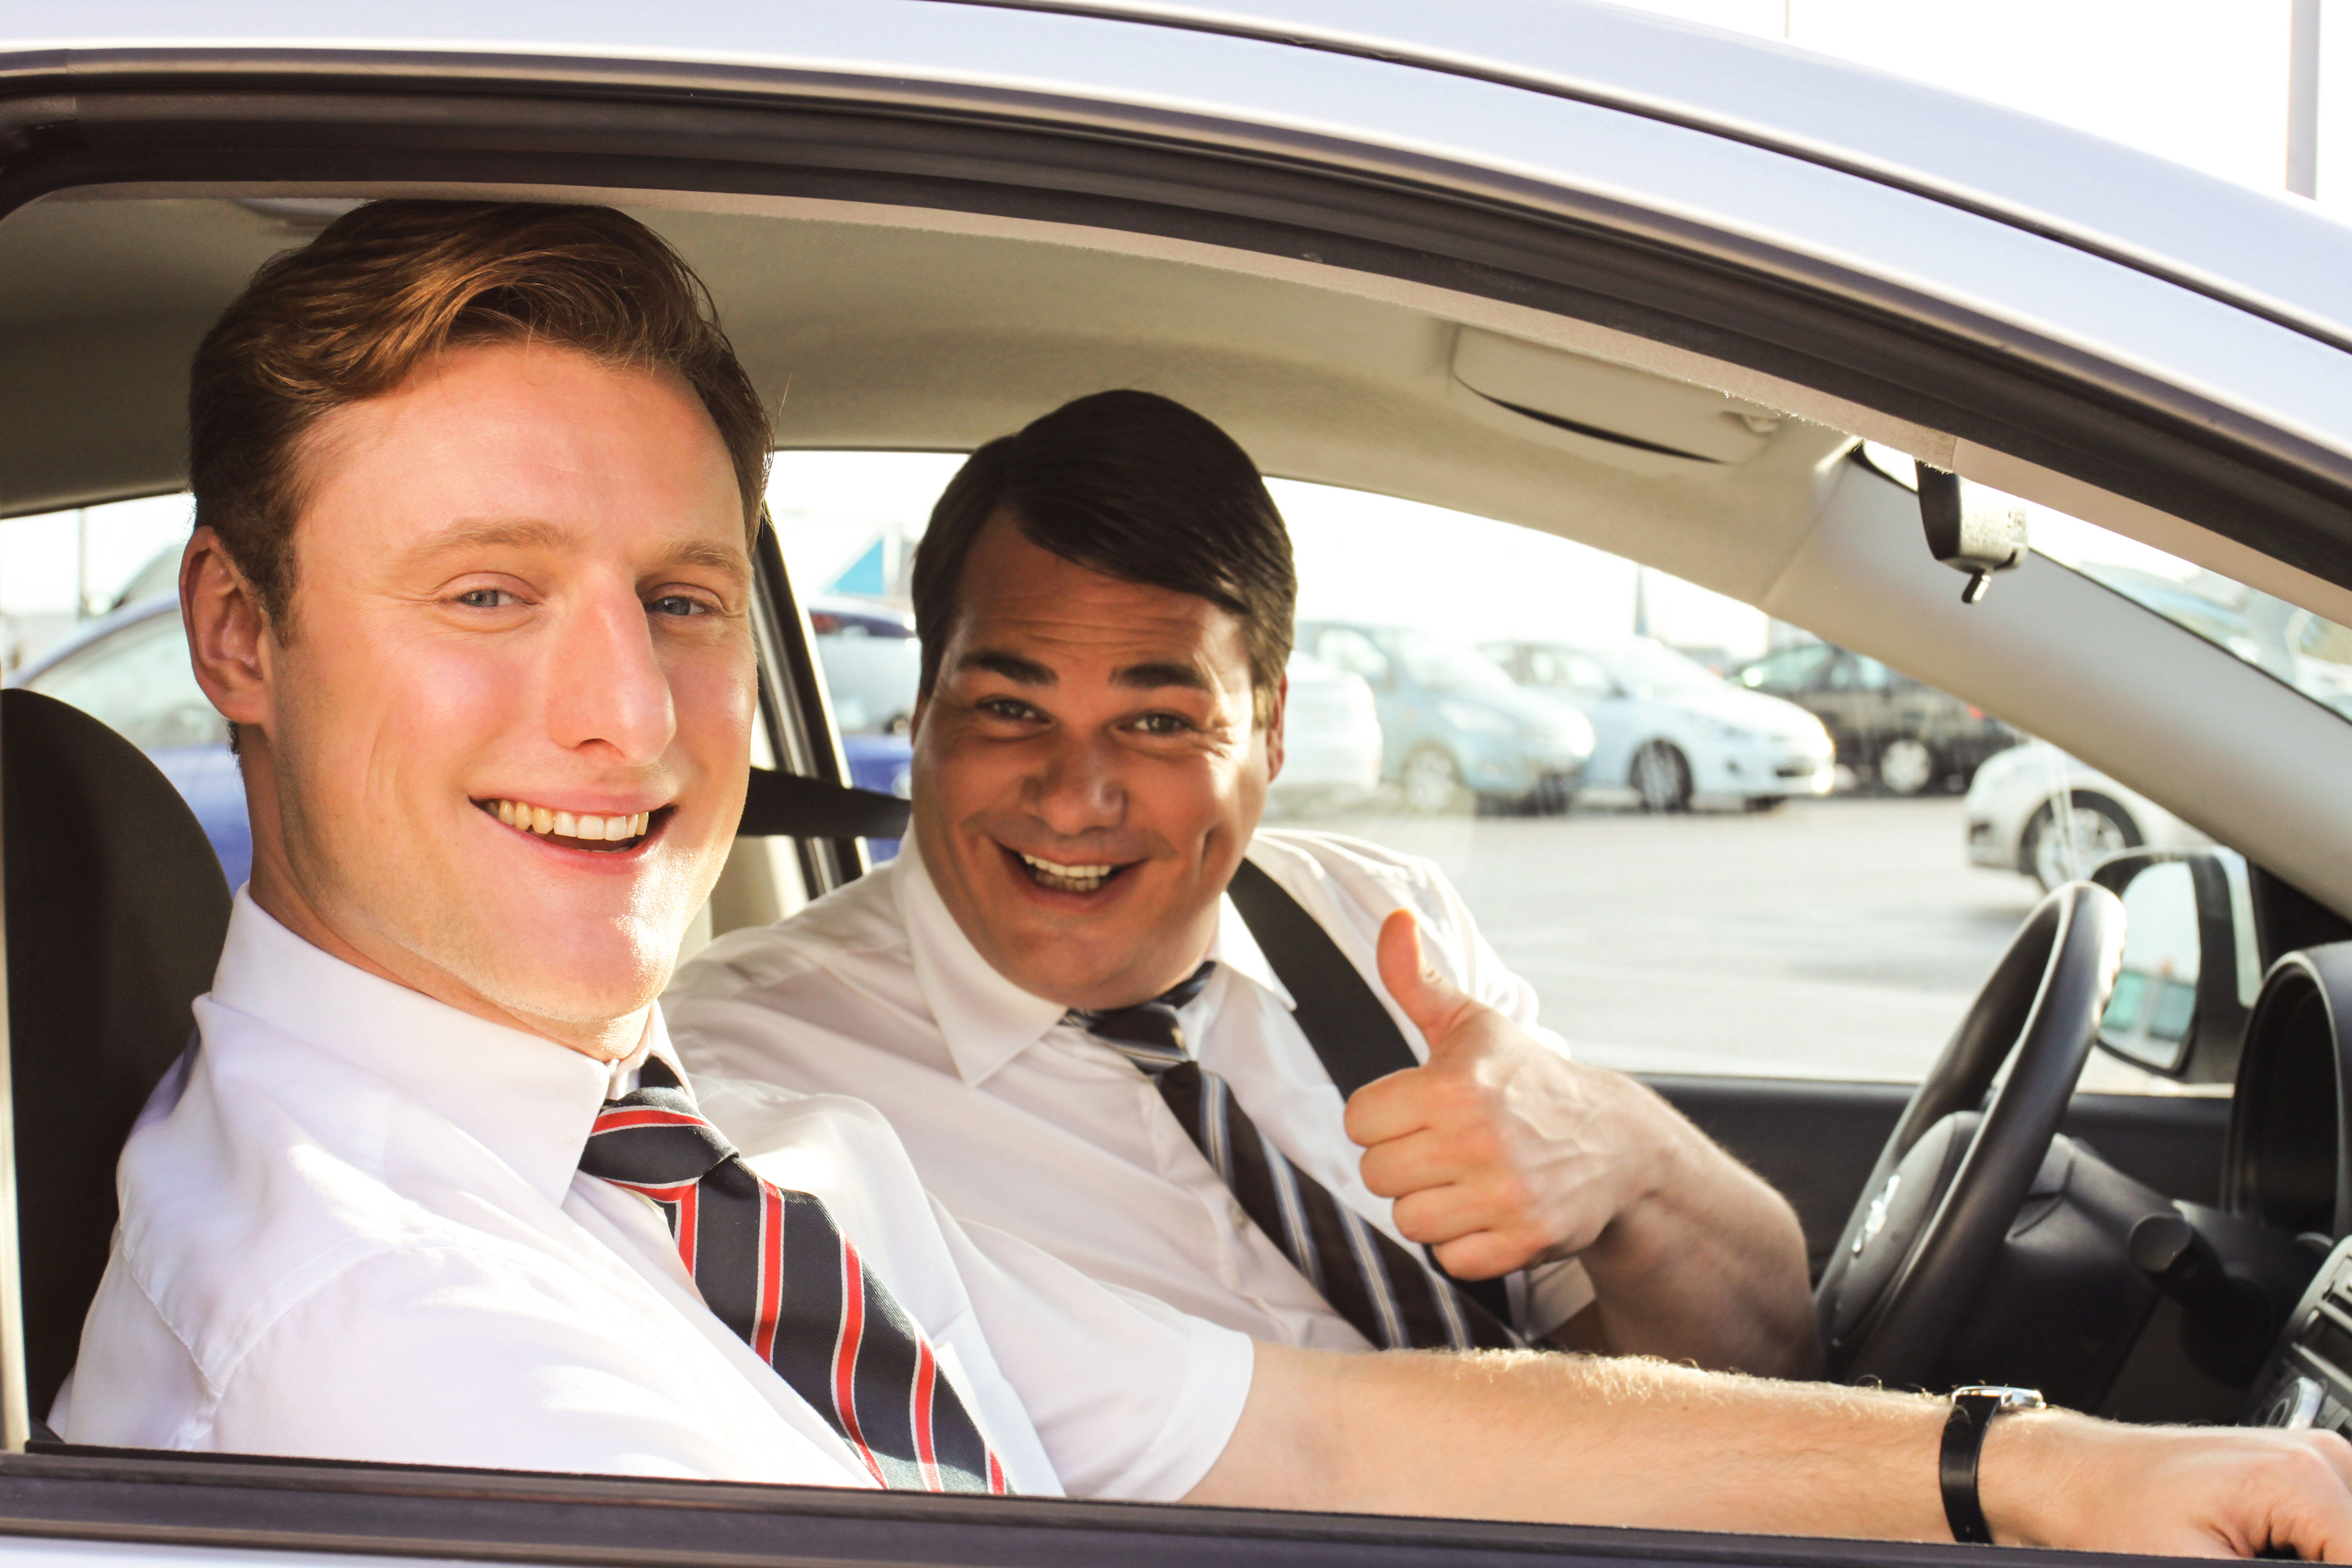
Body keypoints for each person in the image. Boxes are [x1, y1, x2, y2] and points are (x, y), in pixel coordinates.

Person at [58, 198, 2352, 1557]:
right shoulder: (387, 1355)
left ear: (1269, 734)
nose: (638, 722)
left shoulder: (706, 1155)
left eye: (673, 600)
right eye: (485, 595)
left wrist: (2028, 1470)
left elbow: (1332, 1422)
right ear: (236, 637)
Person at [668, 389, 1815, 1373]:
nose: (1075, 798)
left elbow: (1765, 1370)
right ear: (923, 713)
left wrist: (1630, 1158)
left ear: (1268, 730)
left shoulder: (1379, 929)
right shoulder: (737, 1071)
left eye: (1160, 721)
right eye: (1010, 708)